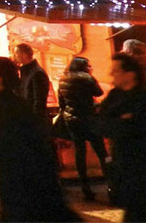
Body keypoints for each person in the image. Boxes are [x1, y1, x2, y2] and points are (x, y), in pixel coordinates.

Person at [0, 56, 76, 222]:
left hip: (24, 198)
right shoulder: (7, 107)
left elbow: (24, 157)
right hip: (19, 197)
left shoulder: (12, 110)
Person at [100, 52, 146, 222]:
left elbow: (139, 127)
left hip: (143, 168)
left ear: (130, 74)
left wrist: (120, 123)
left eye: (115, 71)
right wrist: (121, 121)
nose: (111, 75)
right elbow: (98, 123)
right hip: (123, 164)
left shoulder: (142, 98)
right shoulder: (114, 96)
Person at [58, 56, 108, 201]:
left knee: (80, 153)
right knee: (102, 152)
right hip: (90, 118)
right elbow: (99, 93)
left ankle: (85, 188)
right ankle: (111, 184)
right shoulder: (87, 78)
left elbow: (62, 102)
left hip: (72, 120)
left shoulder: (63, 79)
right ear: (84, 66)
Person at [13, 43, 50, 124]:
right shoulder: (25, 72)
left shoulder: (37, 73)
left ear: (24, 55)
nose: (14, 57)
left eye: (16, 53)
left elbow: (39, 100)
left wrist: (35, 121)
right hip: (26, 118)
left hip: (33, 121)